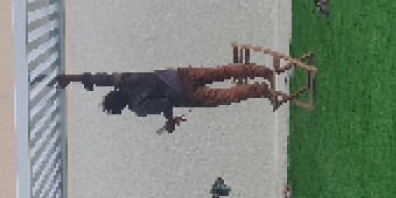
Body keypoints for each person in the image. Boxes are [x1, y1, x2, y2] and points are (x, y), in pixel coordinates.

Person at [55, 63, 275, 133]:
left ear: (121, 109)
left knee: (224, 96)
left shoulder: (138, 107)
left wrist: (169, 122)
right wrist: (73, 78)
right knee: (221, 72)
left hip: (185, 96)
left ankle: (261, 90)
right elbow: (101, 78)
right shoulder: (123, 80)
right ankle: (263, 71)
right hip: (179, 75)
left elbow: (165, 103)